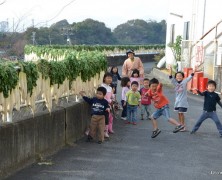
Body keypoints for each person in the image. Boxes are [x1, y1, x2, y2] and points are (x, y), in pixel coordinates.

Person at [169, 65, 195, 131]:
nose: (179, 77)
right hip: (177, 101)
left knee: (181, 113)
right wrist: (170, 69)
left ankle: (183, 125)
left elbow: (191, 76)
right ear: (176, 77)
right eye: (177, 76)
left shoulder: (184, 81)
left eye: (180, 76)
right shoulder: (175, 83)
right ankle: (180, 125)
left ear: (183, 77)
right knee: (179, 113)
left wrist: (195, 69)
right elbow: (170, 77)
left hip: (183, 101)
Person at [101, 72, 114, 136]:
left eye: (111, 78)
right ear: (104, 78)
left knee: (110, 117)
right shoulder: (102, 86)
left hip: (109, 105)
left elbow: (111, 96)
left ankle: (109, 129)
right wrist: (109, 100)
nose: (110, 79)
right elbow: (102, 97)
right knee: (106, 118)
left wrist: (112, 98)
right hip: (104, 105)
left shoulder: (110, 87)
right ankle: (105, 131)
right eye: (108, 78)